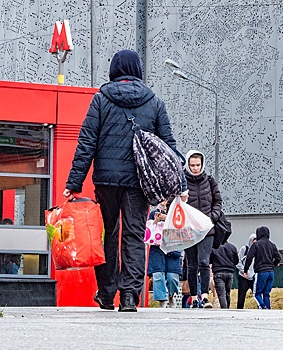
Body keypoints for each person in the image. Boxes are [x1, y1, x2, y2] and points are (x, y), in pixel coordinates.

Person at [64, 49, 186, 312]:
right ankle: (130, 295)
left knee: (107, 235)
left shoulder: (101, 100)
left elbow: (86, 142)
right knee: (133, 235)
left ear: (114, 70)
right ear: (138, 70)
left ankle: (107, 295)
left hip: (106, 180)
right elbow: (169, 149)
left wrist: (74, 183)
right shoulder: (154, 102)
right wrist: (182, 186)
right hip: (139, 182)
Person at [183, 149, 222, 309]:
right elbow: (175, 202)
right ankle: (193, 297)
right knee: (192, 264)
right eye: (192, 165)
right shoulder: (182, 182)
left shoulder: (210, 181)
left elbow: (218, 201)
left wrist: (212, 217)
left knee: (204, 262)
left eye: (198, 165)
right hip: (189, 229)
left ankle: (205, 296)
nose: (195, 168)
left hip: (206, 229)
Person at [146, 201, 182, 308]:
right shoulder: (153, 213)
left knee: (172, 276)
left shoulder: (176, 212)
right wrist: (156, 221)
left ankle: (172, 295)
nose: (163, 202)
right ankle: (162, 299)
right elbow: (148, 230)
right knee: (157, 275)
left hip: (172, 246)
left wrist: (168, 219)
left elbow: (181, 226)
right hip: (157, 247)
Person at [244, 226, 281, 309]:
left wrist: (245, 270)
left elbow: (249, 257)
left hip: (261, 271)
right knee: (266, 293)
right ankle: (268, 309)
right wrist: (272, 265)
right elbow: (278, 257)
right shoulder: (272, 245)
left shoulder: (256, 244)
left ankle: (263, 307)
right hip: (271, 272)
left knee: (256, 293)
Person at [210, 240, 239, 309]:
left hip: (218, 272)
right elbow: (236, 261)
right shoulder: (232, 247)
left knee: (221, 294)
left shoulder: (213, 247)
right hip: (230, 272)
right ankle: (227, 308)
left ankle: (224, 309)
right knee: (227, 293)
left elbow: (210, 259)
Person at [236, 233, 256, 309]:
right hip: (243, 276)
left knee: (257, 294)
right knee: (241, 295)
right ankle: (239, 310)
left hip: (253, 276)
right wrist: (244, 271)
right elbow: (238, 262)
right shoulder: (244, 249)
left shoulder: (258, 250)